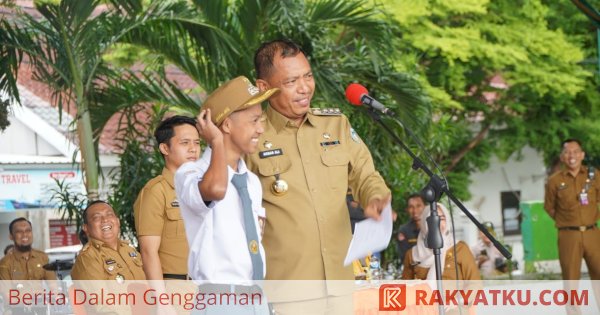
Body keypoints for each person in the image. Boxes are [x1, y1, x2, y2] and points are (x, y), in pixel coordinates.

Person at [247, 39, 391, 284]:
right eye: (291, 82)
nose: (305, 88)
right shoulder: (252, 136)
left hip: (340, 281)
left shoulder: (336, 125)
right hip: (286, 286)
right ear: (263, 87)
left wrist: (376, 198)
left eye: (308, 76)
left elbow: (365, 176)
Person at [175, 76, 279, 283]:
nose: (260, 129)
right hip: (220, 298)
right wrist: (216, 141)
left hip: (253, 295)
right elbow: (215, 190)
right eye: (254, 121)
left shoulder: (250, 180)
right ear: (227, 125)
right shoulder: (191, 173)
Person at [134, 115, 200, 281]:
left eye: (197, 143)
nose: (193, 148)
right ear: (165, 148)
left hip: (210, 288)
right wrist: (162, 302)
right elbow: (149, 252)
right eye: (185, 143)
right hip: (177, 288)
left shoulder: (205, 187)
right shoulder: (155, 191)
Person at [544, 138, 600, 280]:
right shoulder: (554, 181)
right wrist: (567, 220)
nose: (572, 156)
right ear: (562, 157)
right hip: (568, 235)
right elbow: (549, 207)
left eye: (575, 152)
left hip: (592, 233)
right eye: (567, 152)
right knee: (571, 278)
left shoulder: (594, 175)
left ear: (582, 155)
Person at [402, 204, 480, 281]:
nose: (437, 223)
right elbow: (406, 287)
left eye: (442, 219)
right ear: (423, 223)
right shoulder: (412, 254)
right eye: (432, 220)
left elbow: (474, 284)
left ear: (447, 222)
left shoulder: (460, 248)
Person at [71, 200, 146, 280]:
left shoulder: (130, 250)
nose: (105, 220)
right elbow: (97, 292)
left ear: (118, 221)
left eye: (109, 215)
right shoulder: (87, 259)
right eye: (96, 217)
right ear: (86, 228)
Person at [396, 193, 426, 265]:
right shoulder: (404, 230)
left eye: (418, 206)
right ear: (407, 210)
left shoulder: (434, 227)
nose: (415, 210)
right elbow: (404, 257)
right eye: (411, 207)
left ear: (425, 207)